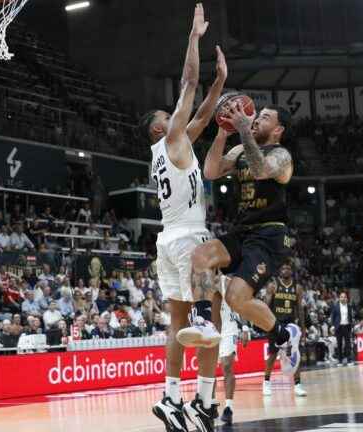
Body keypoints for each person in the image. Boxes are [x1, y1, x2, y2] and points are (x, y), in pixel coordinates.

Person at [140, 5, 227, 432]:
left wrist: (221, 84)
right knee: (213, 321)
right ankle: (206, 402)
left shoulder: (171, 148)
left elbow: (204, 116)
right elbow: (188, 84)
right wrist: (194, 38)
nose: (173, 116)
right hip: (190, 240)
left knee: (178, 324)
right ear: (161, 129)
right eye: (167, 115)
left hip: (167, 243)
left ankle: (171, 397)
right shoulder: (171, 137)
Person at [183, 98, 301, 368]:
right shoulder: (239, 150)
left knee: (236, 299)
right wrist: (224, 133)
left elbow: (261, 171)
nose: (257, 119)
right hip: (242, 230)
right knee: (201, 255)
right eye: (256, 116)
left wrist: (244, 129)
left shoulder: (282, 156)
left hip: (270, 235)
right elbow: (210, 171)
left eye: (265, 117)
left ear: (278, 129)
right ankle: (203, 322)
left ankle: (283, 335)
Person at [261, 261, 307, 397]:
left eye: (288, 268)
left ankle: (298, 385)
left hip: (290, 326)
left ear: (291, 271)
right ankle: (266, 382)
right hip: (275, 324)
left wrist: (303, 328)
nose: (285, 270)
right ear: (279, 271)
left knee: (294, 354)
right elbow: (265, 307)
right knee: (273, 354)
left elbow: (300, 309)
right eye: (283, 268)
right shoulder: (273, 286)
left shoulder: (297, 288)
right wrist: (265, 324)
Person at [217, 276, 251, 426]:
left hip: (229, 328)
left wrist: (244, 327)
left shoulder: (229, 281)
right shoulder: (202, 278)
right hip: (212, 328)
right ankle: (210, 406)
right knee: (209, 371)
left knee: (226, 365)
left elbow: (241, 305)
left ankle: (228, 408)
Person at [330, 291, 356, 366]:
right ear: (339, 298)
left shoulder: (349, 306)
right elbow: (333, 317)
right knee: (339, 344)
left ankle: (349, 360)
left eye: (344, 297)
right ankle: (340, 361)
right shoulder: (336, 306)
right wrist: (332, 325)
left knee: (348, 344)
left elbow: (350, 316)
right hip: (339, 327)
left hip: (347, 326)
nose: (343, 298)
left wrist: (351, 324)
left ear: (347, 298)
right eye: (341, 297)